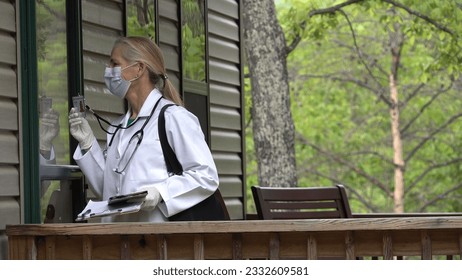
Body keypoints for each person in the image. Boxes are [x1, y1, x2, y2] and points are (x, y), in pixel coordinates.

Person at [68, 36, 219, 222]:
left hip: (156, 241)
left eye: (115, 63)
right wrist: (88, 144)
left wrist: (160, 192)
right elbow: (107, 190)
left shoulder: (173, 118)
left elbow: (206, 176)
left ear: (139, 69)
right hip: (118, 241)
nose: (108, 71)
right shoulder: (119, 128)